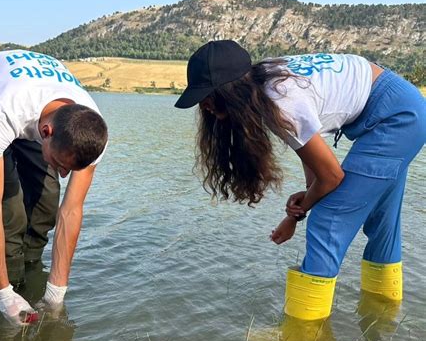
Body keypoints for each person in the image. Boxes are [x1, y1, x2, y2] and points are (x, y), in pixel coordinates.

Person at [174, 40, 425, 322]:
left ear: (231, 91)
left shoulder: (280, 102)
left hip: (395, 117)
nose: (204, 105)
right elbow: (314, 156)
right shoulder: (269, 79)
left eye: (208, 95)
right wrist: (309, 195)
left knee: (328, 218)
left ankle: (301, 338)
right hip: (403, 106)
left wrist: (302, 209)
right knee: (382, 220)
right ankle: (384, 316)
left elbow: (332, 176)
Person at [0, 49, 108, 325]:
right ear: (45, 134)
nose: (62, 174)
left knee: (47, 201)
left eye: (69, 169)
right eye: (61, 164)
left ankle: (31, 272)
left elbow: (71, 210)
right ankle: (6, 289)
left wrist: (56, 291)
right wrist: (3, 294)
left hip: (35, 109)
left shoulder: (92, 131)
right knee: (9, 210)